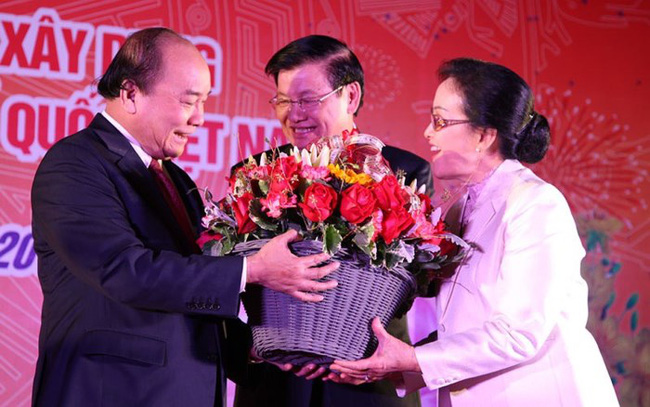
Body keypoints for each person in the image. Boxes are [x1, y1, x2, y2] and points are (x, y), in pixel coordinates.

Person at [30, 27, 339, 407]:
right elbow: (125, 271)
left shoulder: (175, 178)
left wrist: (262, 347)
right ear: (129, 93)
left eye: (205, 102)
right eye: (190, 101)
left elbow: (191, 291)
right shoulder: (75, 163)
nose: (200, 119)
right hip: (112, 392)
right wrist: (251, 270)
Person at [330, 58, 620, 407]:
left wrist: (411, 360)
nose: (427, 133)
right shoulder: (458, 208)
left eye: (440, 121)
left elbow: (518, 334)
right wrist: (396, 366)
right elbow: (463, 330)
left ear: (484, 135)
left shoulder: (536, 204)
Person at [232, 35, 430, 407]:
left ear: (350, 96)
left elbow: (414, 279)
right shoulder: (252, 176)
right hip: (275, 385)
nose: (294, 114)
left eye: (307, 100)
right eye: (283, 101)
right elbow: (231, 273)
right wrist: (257, 348)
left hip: (366, 383)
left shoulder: (405, 173)